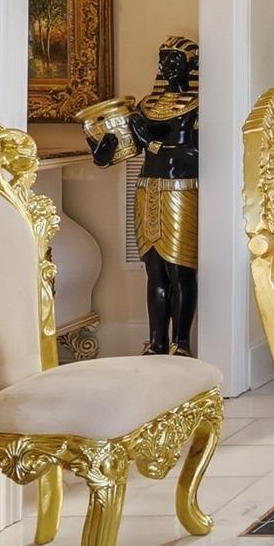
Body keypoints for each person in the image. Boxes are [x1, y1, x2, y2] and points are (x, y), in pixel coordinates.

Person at [83, 35, 199, 355]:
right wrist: (103, 149)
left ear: (191, 65)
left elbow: (197, 154)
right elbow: (121, 152)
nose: (166, 65)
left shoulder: (196, 106)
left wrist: (153, 142)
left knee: (180, 270)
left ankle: (182, 343)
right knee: (155, 270)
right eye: (163, 59)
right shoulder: (146, 106)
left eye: (174, 59)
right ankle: (157, 342)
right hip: (147, 189)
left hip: (181, 191)